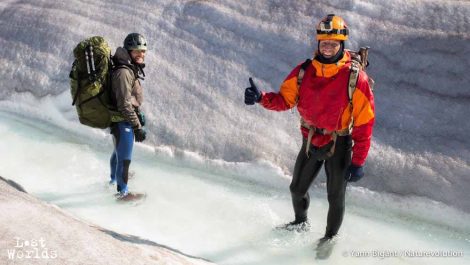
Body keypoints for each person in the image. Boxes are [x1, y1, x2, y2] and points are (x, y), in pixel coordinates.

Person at [244, 14, 375, 240]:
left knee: (335, 197)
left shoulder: (355, 78)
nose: (327, 48)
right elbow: (285, 101)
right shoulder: (304, 72)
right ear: (318, 43)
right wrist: (261, 98)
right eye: (324, 43)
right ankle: (300, 223)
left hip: (340, 143)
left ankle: (328, 239)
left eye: (333, 44)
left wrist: (358, 162)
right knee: (296, 190)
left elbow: (365, 123)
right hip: (311, 140)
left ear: (341, 44)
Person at [109, 33, 148, 199]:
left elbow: (129, 100)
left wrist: (138, 113)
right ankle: (122, 193)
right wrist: (137, 126)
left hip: (122, 119)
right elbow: (124, 104)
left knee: (118, 153)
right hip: (122, 121)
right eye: (137, 51)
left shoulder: (129, 67)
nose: (141, 54)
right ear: (128, 51)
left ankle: (113, 179)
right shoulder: (124, 72)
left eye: (143, 51)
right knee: (125, 160)